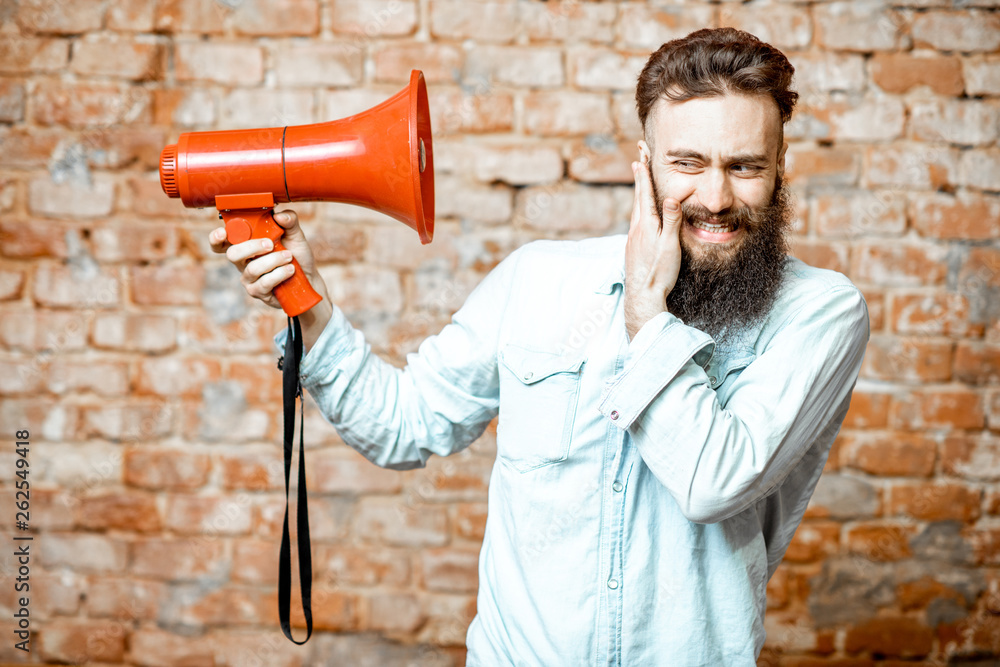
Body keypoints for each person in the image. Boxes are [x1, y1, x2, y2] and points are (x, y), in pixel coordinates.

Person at [210, 27, 869, 666]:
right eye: (687, 163)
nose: (717, 196)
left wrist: (647, 314)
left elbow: (713, 482)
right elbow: (404, 425)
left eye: (745, 166)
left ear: (779, 170)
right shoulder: (537, 280)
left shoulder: (821, 313)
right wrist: (312, 308)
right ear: (645, 166)